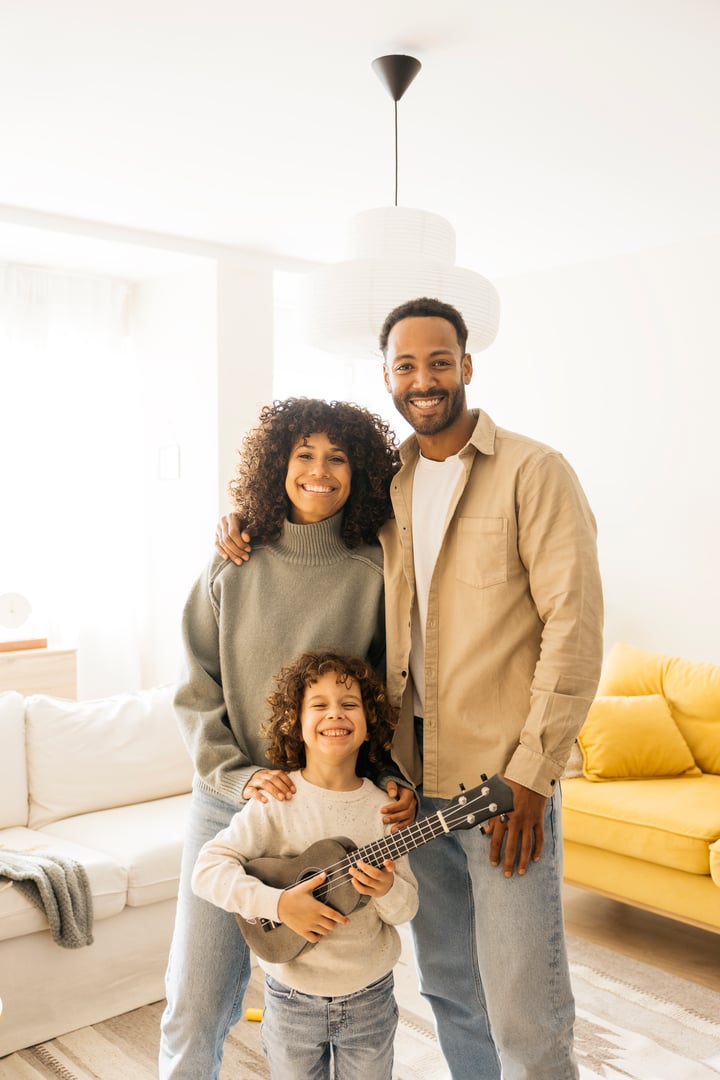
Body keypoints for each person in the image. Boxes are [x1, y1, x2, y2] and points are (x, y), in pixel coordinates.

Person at [217, 297, 604, 1079]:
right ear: (387, 376)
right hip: (406, 786)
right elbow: (307, 526)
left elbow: (575, 628)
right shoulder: (382, 484)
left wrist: (533, 772)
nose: (422, 379)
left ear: (466, 365)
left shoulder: (535, 471)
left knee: (526, 1004)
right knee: (453, 988)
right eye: (404, 364)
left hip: (503, 783)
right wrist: (240, 523)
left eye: (438, 361)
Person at [159, 397, 416, 1080]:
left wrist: (391, 776)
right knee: (196, 998)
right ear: (278, 464)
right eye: (303, 453)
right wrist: (236, 776)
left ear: (359, 472)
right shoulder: (232, 559)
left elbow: (386, 693)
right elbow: (194, 686)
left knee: (326, 962)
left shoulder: (373, 570)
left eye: (338, 456)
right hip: (233, 799)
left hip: (329, 801)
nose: (319, 470)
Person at [192, 650, 419, 1080]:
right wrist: (277, 905)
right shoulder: (279, 801)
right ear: (295, 723)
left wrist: (386, 890)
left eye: (350, 704)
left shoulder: (385, 811)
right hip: (291, 999)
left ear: (370, 722)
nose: (336, 713)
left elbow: (407, 909)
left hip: (369, 997)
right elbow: (207, 869)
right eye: (320, 705)